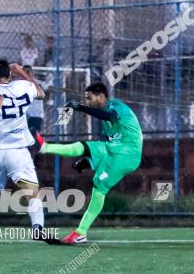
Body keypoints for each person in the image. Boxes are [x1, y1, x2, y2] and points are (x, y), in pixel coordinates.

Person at [36, 81, 143, 245]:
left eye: (89, 98)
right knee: (84, 149)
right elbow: (105, 150)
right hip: (115, 150)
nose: (87, 101)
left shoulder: (116, 107)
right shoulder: (105, 119)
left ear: (101, 97)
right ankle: (45, 147)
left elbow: (109, 116)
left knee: (99, 188)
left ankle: (80, 232)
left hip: (126, 154)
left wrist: (80, 107)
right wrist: (88, 161)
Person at [0, 59, 48, 242]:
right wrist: (22, 72)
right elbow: (41, 94)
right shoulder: (24, 85)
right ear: (10, 74)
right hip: (17, 151)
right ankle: (38, 228)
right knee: (32, 192)